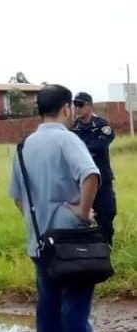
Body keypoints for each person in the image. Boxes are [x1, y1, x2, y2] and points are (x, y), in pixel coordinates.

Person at [9, 84, 123, 332]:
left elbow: (17, 196)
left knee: (47, 308)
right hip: (70, 242)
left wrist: (38, 219)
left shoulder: (24, 145)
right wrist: (82, 213)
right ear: (66, 108)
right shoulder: (67, 139)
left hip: (39, 240)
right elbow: (91, 175)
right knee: (74, 308)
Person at [71, 92, 117, 245]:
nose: (77, 108)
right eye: (75, 104)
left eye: (80, 104)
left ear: (90, 106)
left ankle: (106, 246)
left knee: (106, 214)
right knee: (80, 217)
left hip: (102, 178)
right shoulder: (72, 128)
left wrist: (81, 149)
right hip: (81, 179)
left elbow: (101, 145)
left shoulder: (101, 125)